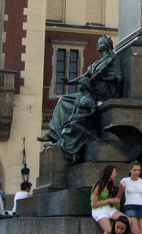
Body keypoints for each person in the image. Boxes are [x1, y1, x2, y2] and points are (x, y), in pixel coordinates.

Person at [39, 35, 122, 163]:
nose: (97, 45)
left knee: (74, 107)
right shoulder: (96, 63)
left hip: (103, 92)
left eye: (100, 43)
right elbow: (84, 76)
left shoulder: (112, 60)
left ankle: (69, 138)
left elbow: (118, 77)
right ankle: (54, 133)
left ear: (106, 45)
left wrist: (102, 78)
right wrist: (69, 82)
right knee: (63, 100)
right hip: (91, 91)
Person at [91, 164, 125, 234]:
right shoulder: (99, 185)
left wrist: (113, 202)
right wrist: (109, 200)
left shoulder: (110, 185)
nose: (116, 174)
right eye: (115, 172)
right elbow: (94, 203)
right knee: (110, 233)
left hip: (108, 208)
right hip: (98, 210)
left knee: (128, 221)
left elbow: (108, 201)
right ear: (109, 173)